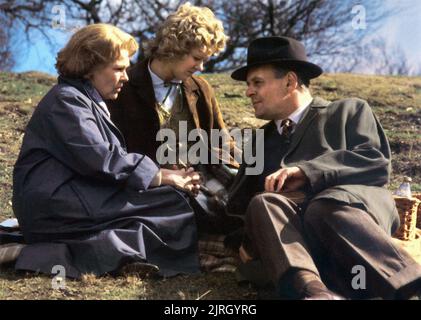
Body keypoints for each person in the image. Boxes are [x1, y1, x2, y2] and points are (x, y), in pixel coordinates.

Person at [226, 36, 421, 299]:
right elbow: (238, 207)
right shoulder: (258, 142)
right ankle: (314, 293)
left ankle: (411, 286)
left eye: (257, 83)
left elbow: (375, 161)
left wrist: (307, 172)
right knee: (264, 203)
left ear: (290, 81)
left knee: (324, 205)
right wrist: (245, 240)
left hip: (349, 228)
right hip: (296, 253)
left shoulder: (349, 111)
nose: (248, 91)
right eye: (248, 85)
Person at [12, 24, 203, 279]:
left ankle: (124, 253)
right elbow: (101, 159)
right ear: (90, 67)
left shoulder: (83, 99)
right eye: (119, 69)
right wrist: (162, 176)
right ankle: (120, 254)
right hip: (54, 206)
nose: (126, 76)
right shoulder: (66, 100)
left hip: (71, 196)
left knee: (166, 198)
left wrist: (160, 176)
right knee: (171, 200)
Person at [107, 3, 239, 233]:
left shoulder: (201, 88)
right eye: (197, 58)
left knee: (242, 202)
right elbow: (114, 153)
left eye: (205, 60)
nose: (201, 67)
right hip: (150, 186)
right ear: (175, 47)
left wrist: (218, 159)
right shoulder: (124, 86)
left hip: (200, 177)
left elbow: (222, 141)